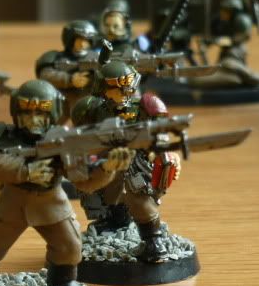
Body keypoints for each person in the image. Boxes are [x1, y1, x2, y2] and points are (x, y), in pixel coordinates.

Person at [0, 79, 131, 286]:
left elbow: (84, 182)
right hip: (12, 202)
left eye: (41, 113)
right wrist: (26, 171)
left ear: (53, 113)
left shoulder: (63, 139)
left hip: (51, 202)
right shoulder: (3, 135)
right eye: (27, 113)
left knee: (69, 245)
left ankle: (63, 282)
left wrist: (107, 168)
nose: (33, 119)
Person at [71, 60, 181, 263]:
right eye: (117, 88)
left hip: (136, 158)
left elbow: (161, 132)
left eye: (128, 86)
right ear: (104, 89)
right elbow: (81, 136)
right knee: (96, 187)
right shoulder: (91, 109)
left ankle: (153, 240)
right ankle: (115, 218)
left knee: (138, 194)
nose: (125, 92)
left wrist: (162, 151)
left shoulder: (145, 106)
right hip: (106, 158)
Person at [34, 20, 99, 123]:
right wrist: (70, 79)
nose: (82, 44)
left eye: (86, 40)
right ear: (70, 39)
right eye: (79, 40)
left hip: (87, 100)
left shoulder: (97, 58)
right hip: (61, 99)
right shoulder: (55, 57)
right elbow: (45, 75)